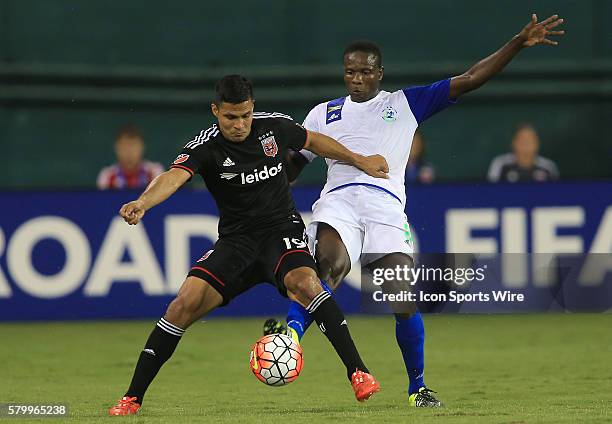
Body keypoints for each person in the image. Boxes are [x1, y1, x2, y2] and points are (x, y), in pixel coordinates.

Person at [263, 14, 565, 407]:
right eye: (350, 71)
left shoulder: (405, 103)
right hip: (338, 200)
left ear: (379, 73)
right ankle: (288, 339)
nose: (356, 78)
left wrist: (517, 42)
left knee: (402, 297)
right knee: (329, 270)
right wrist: (263, 195)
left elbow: (471, 78)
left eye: (364, 72)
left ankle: (417, 386)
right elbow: (294, 165)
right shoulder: (322, 113)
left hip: (385, 206)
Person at [107, 75, 390, 415]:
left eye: (245, 115)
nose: (240, 124)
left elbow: (314, 141)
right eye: (230, 117)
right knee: (183, 304)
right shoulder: (205, 146)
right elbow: (173, 177)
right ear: (216, 111)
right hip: (236, 242)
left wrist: (359, 160)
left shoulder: (274, 127)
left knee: (306, 283)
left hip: (280, 232)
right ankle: (132, 398)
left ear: (252, 108)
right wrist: (143, 203)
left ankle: (358, 372)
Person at [97, 125, 164, 190]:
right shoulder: (107, 176)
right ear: (116, 148)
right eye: (124, 146)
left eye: (133, 145)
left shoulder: (155, 172)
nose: (129, 151)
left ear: (142, 147)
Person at [487, 123, 559, 182]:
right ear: (514, 143)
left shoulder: (548, 167)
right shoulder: (500, 163)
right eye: (522, 139)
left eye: (530, 140)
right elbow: (490, 192)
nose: (526, 143)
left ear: (537, 144)